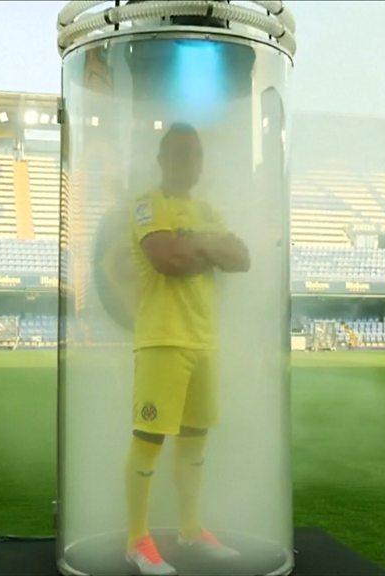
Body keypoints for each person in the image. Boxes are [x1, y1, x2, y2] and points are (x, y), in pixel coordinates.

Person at [124, 123, 250, 575]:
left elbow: (241, 259)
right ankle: (137, 539)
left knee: (196, 436)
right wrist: (205, 247)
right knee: (151, 436)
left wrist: (192, 242)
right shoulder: (146, 204)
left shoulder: (208, 210)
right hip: (163, 339)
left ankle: (190, 529)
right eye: (179, 154)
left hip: (204, 339)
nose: (189, 162)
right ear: (162, 159)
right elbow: (168, 260)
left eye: (195, 154)